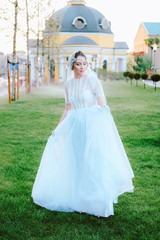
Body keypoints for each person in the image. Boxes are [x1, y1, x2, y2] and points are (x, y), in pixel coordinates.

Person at [31, 51, 134, 218]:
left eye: (84, 64)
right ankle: (80, 201)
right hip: (75, 126)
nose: (82, 67)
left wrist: (101, 122)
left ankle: (98, 203)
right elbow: (68, 108)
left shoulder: (93, 81)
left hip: (92, 125)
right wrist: (57, 128)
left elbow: (102, 105)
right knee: (78, 162)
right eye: (78, 64)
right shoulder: (68, 84)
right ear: (72, 65)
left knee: (93, 162)